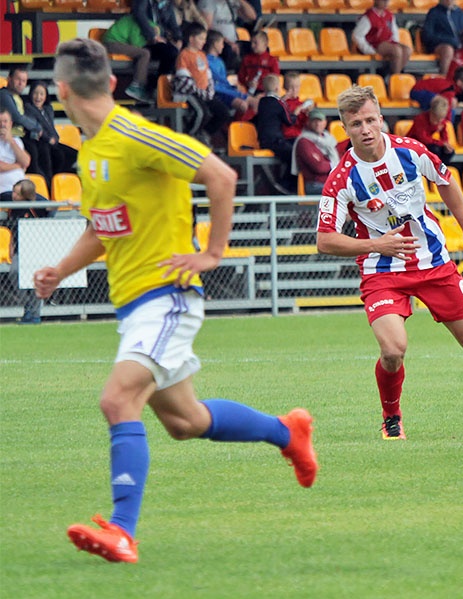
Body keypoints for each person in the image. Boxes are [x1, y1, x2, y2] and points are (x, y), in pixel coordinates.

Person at [35, 38, 317, 564]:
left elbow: (222, 174)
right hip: (136, 306)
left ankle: (123, 530)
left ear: (62, 89)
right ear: (113, 82)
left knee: (117, 400)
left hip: (167, 297)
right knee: (185, 422)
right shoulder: (93, 151)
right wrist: (60, 269)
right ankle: (287, 431)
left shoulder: (136, 135)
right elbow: (103, 230)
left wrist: (212, 252)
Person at [315, 85, 463, 440]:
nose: (365, 129)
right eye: (356, 124)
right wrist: (375, 244)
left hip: (433, 262)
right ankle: (391, 417)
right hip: (381, 271)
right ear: (345, 128)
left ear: (381, 118)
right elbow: (325, 240)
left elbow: (445, 181)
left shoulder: (411, 151)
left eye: (370, 120)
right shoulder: (342, 178)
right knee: (393, 350)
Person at [0, 178, 49, 324]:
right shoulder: (8, 197)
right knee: (15, 273)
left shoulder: (39, 204)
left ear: (26, 197)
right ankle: (27, 305)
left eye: (17, 194)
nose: (13, 196)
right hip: (19, 247)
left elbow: (53, 210)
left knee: (35, 280)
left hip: (36, 248)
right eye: (14, 192)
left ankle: (34, 314)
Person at [173, 22, 231, 145]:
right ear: (191, 38)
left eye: (204, 39)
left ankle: (204, 134)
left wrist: (209, 90)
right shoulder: (184, 55)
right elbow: (183, 79)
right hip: (190, 94)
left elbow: (207, 75)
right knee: (201, 112)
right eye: (201, 38)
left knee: (223, 113)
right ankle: (190, 137)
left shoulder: (202, 55)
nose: (204, 42)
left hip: (205, 93)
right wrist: (199, 91)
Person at [25, 81, 79, 178]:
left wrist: (55, 138)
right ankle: (52, 180)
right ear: (31, 94)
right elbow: (36, 128)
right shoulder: (28, 109)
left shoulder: (48, 109)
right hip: (40, 141)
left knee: (73, 154)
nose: (38, 97)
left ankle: (61, 177)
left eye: (41, 94)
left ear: (46, 96)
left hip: (52, 139)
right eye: (35, 93)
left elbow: (51, 127)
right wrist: (49, 139)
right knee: (59, 156)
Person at [0, 68, 45, 179]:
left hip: (20, 136)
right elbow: (17, 118)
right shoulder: (4, 95)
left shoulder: (18, 98)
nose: (21, 84)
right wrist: (37, 127)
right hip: (13, 135)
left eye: (24, 81)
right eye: (18, 79)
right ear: (9, 79)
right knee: (34, 151)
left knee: (48, 149)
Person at [206, 29, 258, 120]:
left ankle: (252, 129)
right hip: (218, 94)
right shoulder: (206, 61)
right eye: (221, 43)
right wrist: (236, 93)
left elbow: (224, 82)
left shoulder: (219, 61)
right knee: (243, 105)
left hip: (226, 91)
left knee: (256, 102)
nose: (223, 46)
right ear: (215, 44)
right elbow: (217, 85)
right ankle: (235, 128)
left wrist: (234, 89)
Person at [352, 0, 412, 75]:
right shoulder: (369, 17)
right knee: (397, 51)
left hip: (388, 42)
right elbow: (357, 35)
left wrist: (395, 42)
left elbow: (394, 31)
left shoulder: (389, 15)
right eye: (383, 0)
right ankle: (395, 77)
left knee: (407, 50)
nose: (386, 3)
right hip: (375, 44)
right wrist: (368, 49)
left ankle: (394, 75)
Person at [198, 0, 257, 71]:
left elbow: (252, 16)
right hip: (218, 41)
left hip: (234, 41)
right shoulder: (208, 2)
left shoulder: (230, 2)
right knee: (229, 50)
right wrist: (228, 42)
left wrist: (240, 1)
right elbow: (208, 28)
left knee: (257, 48)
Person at [293, 110, 338, 195]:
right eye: (314, 121)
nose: (317, 124)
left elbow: (341, 160)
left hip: (332, 182)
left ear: (325, 122)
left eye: (320, 121)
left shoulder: (331, 140)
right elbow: (318, 167)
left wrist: (325, 162)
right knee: (341, 193)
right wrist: (333, 164)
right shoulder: (304, 141)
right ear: (308, 123)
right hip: (314, 184)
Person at [422, 0, 463, 76]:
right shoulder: (434, 12)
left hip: (458, 45)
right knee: (448, 50)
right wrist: (450, 41)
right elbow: (427, 35)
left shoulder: (460, 14)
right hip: (438, 45)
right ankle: (444, 77)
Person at [408, 95, 455, 165]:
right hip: (415, 144)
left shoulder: (441, 122)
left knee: (449, 152)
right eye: (436, 119)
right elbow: (423, 138)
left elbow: (444, 135)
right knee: (434, 150)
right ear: (431, 113)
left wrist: (446, 144)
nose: (438, 121)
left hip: (427, 144)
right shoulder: (420, 119)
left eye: (441, 119)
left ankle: (440, 169)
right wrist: (441, 141)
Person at [238, 30, 280, 97]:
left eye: (255, 43)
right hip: (251, 92)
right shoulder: (247, 59)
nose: (252, 45)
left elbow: (275, 79)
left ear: (265, 44)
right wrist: (248, 83)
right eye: (251, 43)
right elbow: (241, 77)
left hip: (268, 93)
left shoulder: (272, 60)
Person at [0, 109, 30, 195]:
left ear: (10, 123)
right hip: (5, 191)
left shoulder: (16, 141)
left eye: (5, 121)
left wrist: (11, 141)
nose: (2, 125)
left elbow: (26, 162)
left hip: (23, 189)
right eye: (0, 121)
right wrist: (18, 166)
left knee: (44, 203)